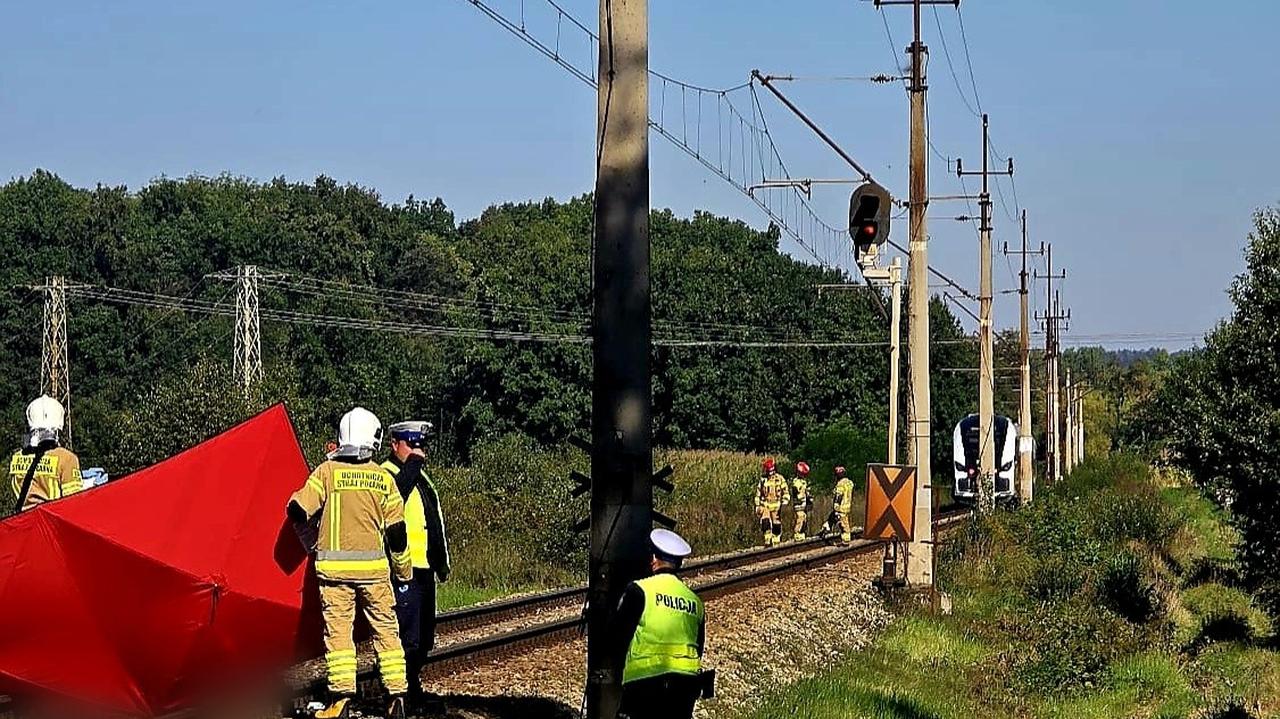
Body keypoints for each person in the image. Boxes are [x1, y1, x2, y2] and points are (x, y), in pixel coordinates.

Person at [287, 407, 412, 719]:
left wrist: (313, 543)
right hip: (375, 574)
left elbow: (296, 510)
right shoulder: (383, 479)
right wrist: (404, 572)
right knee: (387, 632)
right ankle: (396, 696)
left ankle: (341, 701)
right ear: (374, 439)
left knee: (339, 637)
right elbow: (397, 534)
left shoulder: (326, 474)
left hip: (334, 574)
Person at [380, 421, 451, 714]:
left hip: (425, 567)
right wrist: (411, 466)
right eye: (412, 444)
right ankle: (400, 693)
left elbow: (433, 522)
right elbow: (395, 499)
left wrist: (442, 562)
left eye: (421, 446)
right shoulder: (386, 474)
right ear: (395, 443)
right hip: (402, 569)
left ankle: (413, 686)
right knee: (406, 636)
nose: (418, 451)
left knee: (423, 637)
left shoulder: (423, 478)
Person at [613, 529, 707, 719]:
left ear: (654, 559)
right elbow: (699, 645)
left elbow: (618, 637)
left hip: (645, 681)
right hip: (685, 685)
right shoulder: (695, 602)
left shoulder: (640, 590)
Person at [8, 395, 82, 512]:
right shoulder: (67, 458)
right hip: (52, 524)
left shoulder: (16, 457)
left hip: (22, 523)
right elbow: (74, 503)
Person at [753, 458, 789, 547]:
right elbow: (758, 494)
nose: (770, 473)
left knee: (776, 524)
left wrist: (785, 501)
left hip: (776, 506)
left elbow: (785, 491)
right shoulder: (763, 480)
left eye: (772, 470)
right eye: (769, 471)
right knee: (765, 522)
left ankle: (776, 541)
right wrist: (757, 505)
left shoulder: (780, 479)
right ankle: (767, 540)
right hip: (766, 506)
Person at [832, 465, 855, 545]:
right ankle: (846, 539)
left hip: (841, 507)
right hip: (847, 506)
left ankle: (845, 541)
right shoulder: (849, 483)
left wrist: (836, 508)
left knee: (843, 525)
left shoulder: (840, 484)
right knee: (845, 522)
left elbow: (839, 496)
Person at [790, 461, 813, 541]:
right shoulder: (796, 482)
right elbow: (795, 493)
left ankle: (802, 535)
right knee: (800, 519)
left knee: (804, 520)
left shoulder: (804, 482)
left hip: (804, 505)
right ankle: (797, 535)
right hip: (798, 505)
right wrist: (799, 496)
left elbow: (806, 492)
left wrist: (809, 499)